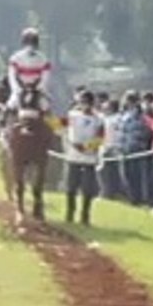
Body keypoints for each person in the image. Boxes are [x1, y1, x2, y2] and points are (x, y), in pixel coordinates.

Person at [62, 90, 104, 225]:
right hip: (73, 156)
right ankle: (69, 214)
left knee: (87, 189)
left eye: (87, 103)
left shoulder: (99, 119)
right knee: (71, 187)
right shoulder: (72, 115)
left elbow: (100, 136)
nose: (84, 106)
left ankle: (85, 216)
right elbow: (59, 126)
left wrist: (89, 147)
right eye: (82, 102)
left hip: (89, 158)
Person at [6, 28, 52, 113]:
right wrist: (17, 88)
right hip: (20, 88)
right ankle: (2, 121)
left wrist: (39, 88)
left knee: (45, 106)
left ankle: (57, 126)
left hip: (37, 89)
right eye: (28, 40)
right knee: (11, 104)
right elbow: (11, 75)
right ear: (24, 41)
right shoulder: (16, 57)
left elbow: (45, 76)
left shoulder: (43, 59)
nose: (31, 44)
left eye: (33, 41)